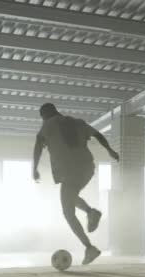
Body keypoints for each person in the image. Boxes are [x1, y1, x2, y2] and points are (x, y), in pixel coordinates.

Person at [33, 103, 119, 265]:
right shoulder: (77, 122)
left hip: (69, 171)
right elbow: (98, 134)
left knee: (68, 212)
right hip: (87, 167)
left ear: (44, 116)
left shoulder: (47, 125)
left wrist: (34, 169)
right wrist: (110, 150)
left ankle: (89, 247)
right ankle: (90, 212)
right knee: (70, 197)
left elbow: (38, 145)